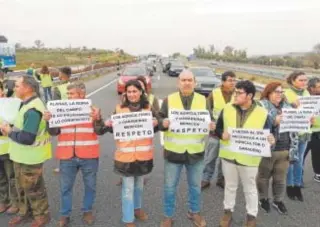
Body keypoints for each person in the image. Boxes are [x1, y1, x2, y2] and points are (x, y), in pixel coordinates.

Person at [93, 79, 158, 227]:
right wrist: (100, 120)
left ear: (141, 92)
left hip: (143, 157)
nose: (132, 94)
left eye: (135, 91)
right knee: (128, 189)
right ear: (125, 93)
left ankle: (137, 209)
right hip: (125, 158)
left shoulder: (148, 109)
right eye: (129, 92)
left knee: (139, 186)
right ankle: (128, 219)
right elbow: (101, 130)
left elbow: (158, 126)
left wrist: (156, 123)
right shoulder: (119, 109)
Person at [159, 70, 216, 227]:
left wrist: (212, 125)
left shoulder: (203, 100)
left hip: (195, 153)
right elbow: (160, 118)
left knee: (195, 187)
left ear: (194, 82)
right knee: (170, 188)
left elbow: (209, 119)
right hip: (173, 153)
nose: (186, 83)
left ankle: (194, 212)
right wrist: (162, 122)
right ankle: (168, 216)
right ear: (178, 82)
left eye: (190, 80)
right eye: (183, 80)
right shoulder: (169, 99)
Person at [215, 80, 274, 227]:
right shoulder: (227, 108)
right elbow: (218, 128)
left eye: (239, 93)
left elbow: (271, 133)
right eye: (235, 92)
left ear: (249, 96)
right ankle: (228, 212)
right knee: (230, 186)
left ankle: (251, 216)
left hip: (250, 160)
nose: (235, 95)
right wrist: (221, 135)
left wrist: (272, 139)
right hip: (228, 157)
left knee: (250, 189)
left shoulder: (262, 113)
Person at [44, 81, 100, 227]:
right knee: (65, 187)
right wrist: (49, 121)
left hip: (89, 155)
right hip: (67, 155)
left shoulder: (94, 110)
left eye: (71, 93)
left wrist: (98, 119)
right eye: (67, 94)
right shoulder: (60, 110)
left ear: (82, 94)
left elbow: (100, 130)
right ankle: (65, 214)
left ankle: (87, 210)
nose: (68, 96)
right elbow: (53, 132)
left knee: (90, 186)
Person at [0, 76, 51, 227]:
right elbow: (21, 127)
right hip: (20, 156)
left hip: (31, 157)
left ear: (28, 88)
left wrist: (9, 132)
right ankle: (25, 212)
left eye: (16, 86)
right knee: (21, 187)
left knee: (34, 189)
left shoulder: (33, 109)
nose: (13, 88)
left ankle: (41, 216)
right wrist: (9, 127)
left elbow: (28, 137)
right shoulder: (25, 104)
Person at [257, 82, 299, 215]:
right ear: (268, 93)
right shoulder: (260, 107)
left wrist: (304, 121)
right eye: (276, 92)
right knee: (264, 177)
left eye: (281, 92)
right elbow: (256, 127)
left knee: (280, 178)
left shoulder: (288, 107)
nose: (279, 95)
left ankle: (278, 200)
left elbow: (297, 125)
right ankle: (263, 198)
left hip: (285, 149)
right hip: (268, 149)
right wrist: (274, 122)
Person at [201, 71, 236, 190]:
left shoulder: (237, 94)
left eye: (234, 80)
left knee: (225, 158)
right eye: (230, 80)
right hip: (215, 132)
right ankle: (206, 179)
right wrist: (210, 122)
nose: (233, 82)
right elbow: (207, 110)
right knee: (211, 157)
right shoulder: (214, 94)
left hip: (229, 134)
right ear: (223, 82)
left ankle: (221, 179)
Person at [284, 71, 310, 201]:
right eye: (301, 80)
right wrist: (293, 107)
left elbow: (310, 110)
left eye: (305, 80)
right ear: (293, 80)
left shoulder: (307, 93)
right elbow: (283, 111)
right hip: (291, 133)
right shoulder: (286, 94)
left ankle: (297, 185)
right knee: (291, 160)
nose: (304, 82)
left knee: (300, 160)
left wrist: (312, 117)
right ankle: (289, 185)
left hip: (304, 132)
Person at [0, 81, 19, 214]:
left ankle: (15, 202)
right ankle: (3, 201)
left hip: (7, 148)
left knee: (11, 177)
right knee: (0, 177)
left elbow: (15, 125)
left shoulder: (10, 104)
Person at [52, 66, 72, 174]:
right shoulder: (74, 86)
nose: (58, 74)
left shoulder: (58, 88)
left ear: (63, 74)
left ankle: (62, 166)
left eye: (59, 73)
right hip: (74, 117)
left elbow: (55, 106)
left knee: (63, 143)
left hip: (63, 119)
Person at [304, 77, 320, 182]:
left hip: (317, 132)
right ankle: (295, 176)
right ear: (311, 88)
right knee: (299, 156)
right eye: (319, 87)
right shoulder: (302, 98)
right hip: (303, 133)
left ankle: (318, 174)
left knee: (317, 155)